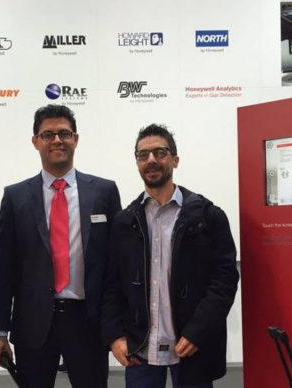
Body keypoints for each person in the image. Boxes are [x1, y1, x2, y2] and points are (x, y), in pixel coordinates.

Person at [0, 104, 122, 388]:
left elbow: (116, 266)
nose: (57, 140)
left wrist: (116, 325)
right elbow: (4, 270)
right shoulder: (15, 197)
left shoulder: (104, 192)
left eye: (64, 133)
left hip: (88, 322)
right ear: (35, 141)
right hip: (33, 323)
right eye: (48, 134)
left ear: (76, 139)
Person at [101, 124, 239, 388]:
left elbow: (224, 280)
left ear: (175, 159)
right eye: (143, 155)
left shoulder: (208, 217)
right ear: (137, 163)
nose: (151, 159)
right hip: (140, 349)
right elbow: (111, 286)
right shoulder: (124, 222)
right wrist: (114, 335)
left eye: (160, 152)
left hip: (191, 346)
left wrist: (199, 330)